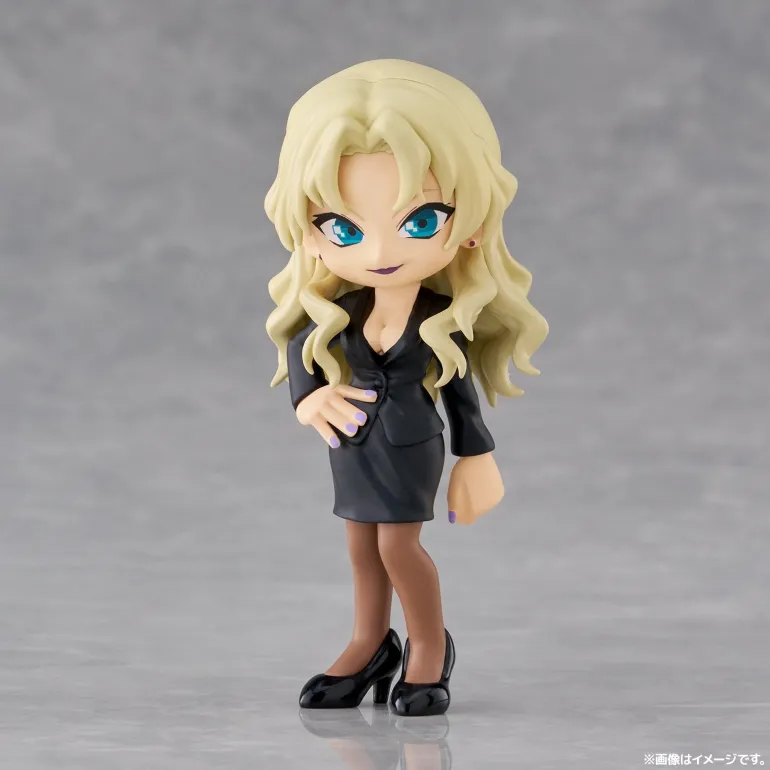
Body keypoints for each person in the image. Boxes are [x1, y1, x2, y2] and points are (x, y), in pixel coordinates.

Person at [265, 59, 548, 717]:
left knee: (399, 545)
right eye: (343, 228)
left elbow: (459, 391)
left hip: (412, 442)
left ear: (470, 222)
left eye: (420, 221)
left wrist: (476, 458)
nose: (379, 253)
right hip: (351, 441)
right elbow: (299, 341)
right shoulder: (338, 313)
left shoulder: (440, 319)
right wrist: (308, 398)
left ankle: (428, 647)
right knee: (360, 546)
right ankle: (369, 644)